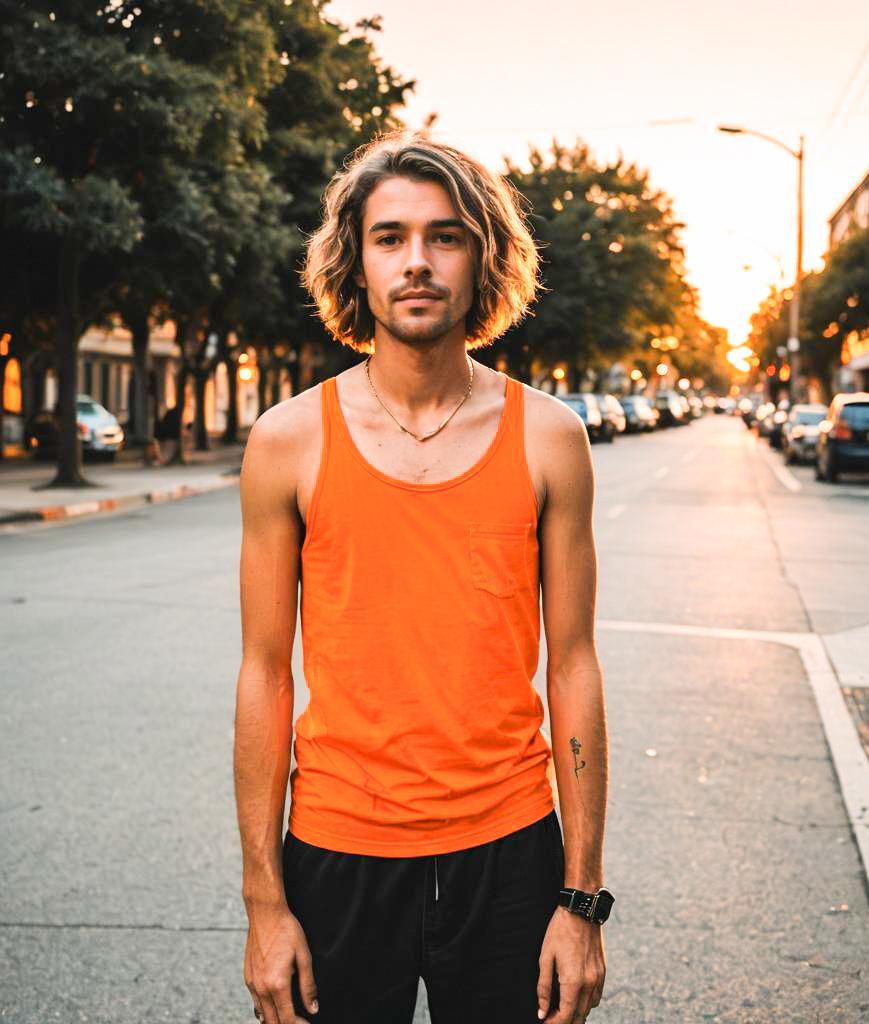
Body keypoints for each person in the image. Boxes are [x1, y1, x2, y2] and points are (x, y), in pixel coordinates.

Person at [234, 132, 612, 1024]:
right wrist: (264, 904)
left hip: (512, 851)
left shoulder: (551, 437)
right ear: (354, 261)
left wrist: (582, 901)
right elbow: (261, 671)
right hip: (335, 853)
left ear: (483, 260)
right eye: (389, 237)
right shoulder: (287, 441)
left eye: (445, 236)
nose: (417, 262)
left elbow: (575, 665)